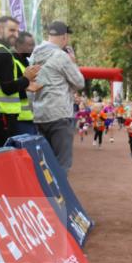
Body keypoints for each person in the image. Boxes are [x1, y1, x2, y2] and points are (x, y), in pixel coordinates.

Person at [0, 16, 41, 148]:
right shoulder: (2, 53)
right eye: (11, 30)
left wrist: (25, 85)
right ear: (0, 29)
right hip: (2, 115)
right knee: (2, 156)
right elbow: (8, 88)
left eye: (17, 31)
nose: (15, 35)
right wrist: (26, 79)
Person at [32, 21, 85, 170]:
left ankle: (47, 192)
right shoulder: (61, 56)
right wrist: (73, 63)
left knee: (45, 162)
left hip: (39, 114)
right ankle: (60, 193)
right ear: (64, 37)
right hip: (59, 114)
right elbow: (79, 82)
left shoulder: (34, 54)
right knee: (62, 163)